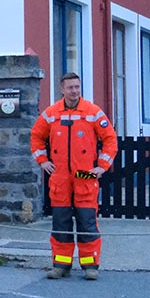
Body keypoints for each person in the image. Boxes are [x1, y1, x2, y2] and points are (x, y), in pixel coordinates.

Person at [30, 73, 117, 280]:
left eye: (77, 87)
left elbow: (110, 139)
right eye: (70, 87)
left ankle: (90, 266)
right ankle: (61, 265)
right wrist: (43, 161)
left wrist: (102, 166)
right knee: (61, 223)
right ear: (62, 89)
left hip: (85, 176)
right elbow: (36, 136)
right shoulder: (51, 114)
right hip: (60, 177)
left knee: (87, 222)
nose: (74, 91)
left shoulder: (93, 112)